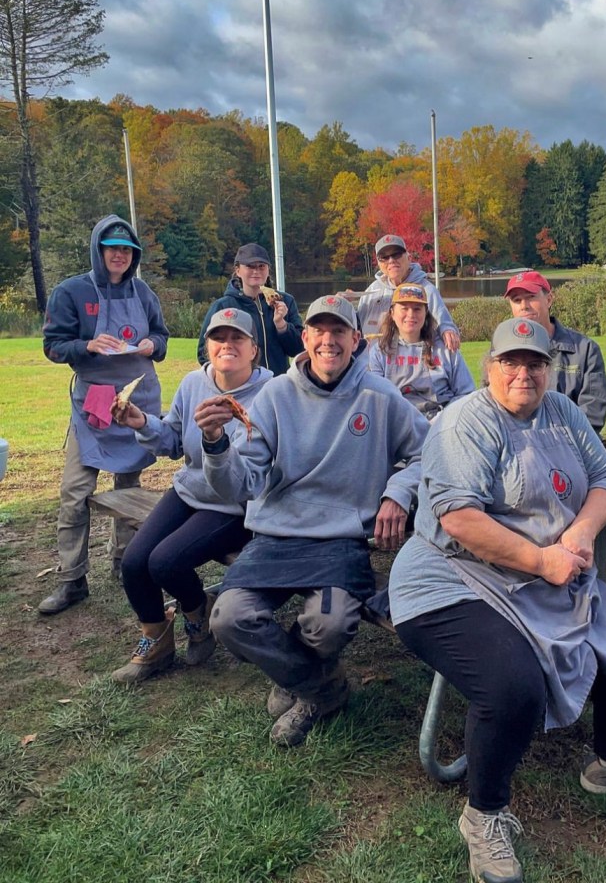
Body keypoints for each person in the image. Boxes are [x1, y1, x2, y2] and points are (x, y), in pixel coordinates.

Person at [389, 318, 606, 883]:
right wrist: (543, 561)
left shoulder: (563, 413)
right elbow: (460, 519)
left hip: (544, 571)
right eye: (510, 362)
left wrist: (579, 533)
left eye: (535, 362)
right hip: (452, 575)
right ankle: (484, 815)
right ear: (489, 367)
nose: (523, 373)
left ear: (549, 368)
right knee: (512, 686)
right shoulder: (464, 421)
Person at [197, 295, 429, 747]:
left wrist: (398, 492)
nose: (328, 340)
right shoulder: (274, 396)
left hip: (340, 541)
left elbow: (429, 453)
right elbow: (239, 485)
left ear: (357, 340)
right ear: (304, 338)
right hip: (274, 535)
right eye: (319, 330)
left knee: (331, 623)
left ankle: (296, 679)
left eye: (339, 330)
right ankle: (321, 687)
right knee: (228, 618)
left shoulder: (380, 397)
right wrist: (215, 443)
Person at [109, 309, 273, 683]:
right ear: (207, 346)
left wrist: (220, 440)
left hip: (236, 505)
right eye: (219, 338)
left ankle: (199, 617)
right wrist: (142, 423)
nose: (227, 345)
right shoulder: (193, 383)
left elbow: (258, 473)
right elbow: (172, 441)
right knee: (134, 563)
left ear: (253, 350)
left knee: (165, 562)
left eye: (237, 338)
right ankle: (157, 641)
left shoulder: (272, 392)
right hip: (190, 490)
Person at [40, 214, 169, 615]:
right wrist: (88, 346)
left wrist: (152, 345)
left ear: (134, 255)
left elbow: (162, 337)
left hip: (136, 399)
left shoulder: (143, 292)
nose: (119, 256)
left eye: (127, 250)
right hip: (94, 403)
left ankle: (124, 562)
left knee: (129, 487)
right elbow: (53, 346)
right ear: (99, 250)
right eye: (112, 248)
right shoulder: (71, 291)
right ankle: (72, 579)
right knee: (75, 492)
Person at [504, 271, 606, 432]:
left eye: (531, 297)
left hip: (572, 442)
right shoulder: (502, 352)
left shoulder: (585, 350)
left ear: (549, 299)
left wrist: (551, 440)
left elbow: (592, 414)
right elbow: (493, 406)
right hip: (517, 442)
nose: (524, 305)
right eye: (517, 300)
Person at [367, 283, 475, 420]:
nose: (411, 315)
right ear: (392, 313)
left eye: (417, 309)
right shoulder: (379, 351)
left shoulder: (446, 349)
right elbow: (374, 398)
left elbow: (466, 394)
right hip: (397, 422)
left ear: (426, 313)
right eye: (404, 308)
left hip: (440, 421)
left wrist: (444, 418)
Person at [197, 242, 303, 375]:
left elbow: (299, 349)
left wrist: (282, 326)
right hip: (241, 385)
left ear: (268, 270)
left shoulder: (285, 301)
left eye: (261, 266)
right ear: (238, 271)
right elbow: (204, 353)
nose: (256, 271)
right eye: (250, 266)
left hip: (277, 383)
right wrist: (231, 377)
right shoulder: (223, 306)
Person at [356, 234, 461, 350]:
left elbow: (444, 322)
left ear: (408, 257)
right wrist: (344, 305)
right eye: (384, 257)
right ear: (379, 263)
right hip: (370, 357)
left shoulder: (425, 290)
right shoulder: (372, 291)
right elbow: (355, 325)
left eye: (396, 254)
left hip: (411, 357)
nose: (391, 260)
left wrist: (447, 331)